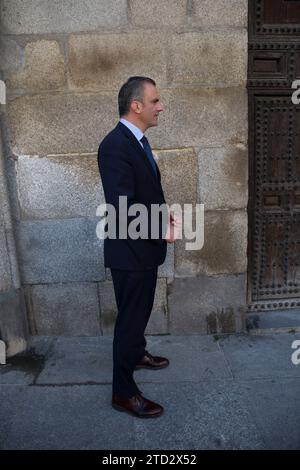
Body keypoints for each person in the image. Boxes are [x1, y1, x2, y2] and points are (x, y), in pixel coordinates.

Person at [97, 76, 177, 418]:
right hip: (130, 252)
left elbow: (143, 193)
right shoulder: (116, 146)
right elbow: (121, 208)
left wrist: (163, 215)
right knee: (130, 320)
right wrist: (160, 229)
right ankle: (124, 393)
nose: (160, 107)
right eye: (155, 101)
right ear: (136, 106)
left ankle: (138, 352)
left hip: (141, 248)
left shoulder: (137, 141)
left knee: (139, 313)